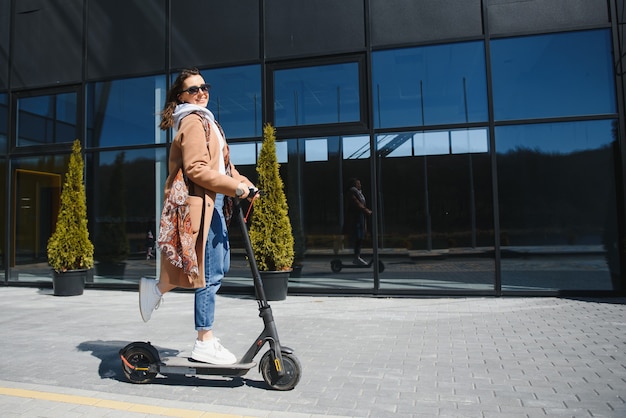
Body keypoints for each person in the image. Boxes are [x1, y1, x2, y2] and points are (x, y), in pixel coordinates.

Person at [139, 68, 255, 365]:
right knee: (209, 274)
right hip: (200, 204)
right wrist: (235, 189)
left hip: (213, 202)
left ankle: (156, 289)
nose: (202, 92)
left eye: (204, 87)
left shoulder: (207, 121)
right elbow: (197, 170)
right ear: (181, 97)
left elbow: (223, 168)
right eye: (194, 89)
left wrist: (245, 184)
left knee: (219, 266)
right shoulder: (191, 121)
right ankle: (204, 339)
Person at [343, 178, 372, 265]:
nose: (360, 185)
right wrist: (366, 210)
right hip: (355, 217)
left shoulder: (359, 193)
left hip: (360, 216)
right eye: (358, 183)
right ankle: (356, 257)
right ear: (354, 184)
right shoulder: (352, 192)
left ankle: (357, 256)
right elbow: (356, 203)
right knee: (358, 237)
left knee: (360, 237)